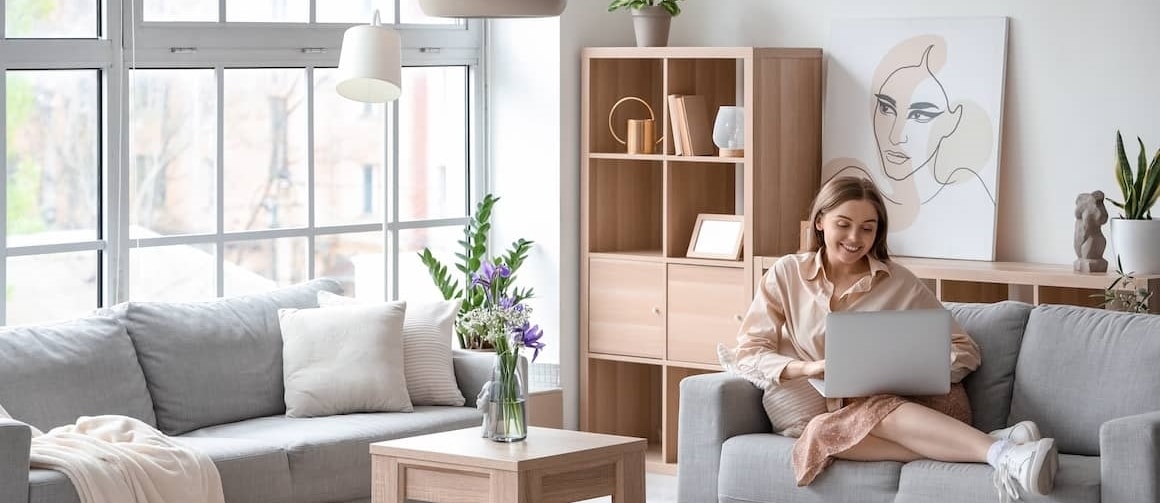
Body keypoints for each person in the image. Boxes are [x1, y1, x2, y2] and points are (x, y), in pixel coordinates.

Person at [727, 176, 1057, 502]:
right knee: (818, 433)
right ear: (819, 222)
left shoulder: (900, 283)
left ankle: (1004, 455)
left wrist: (909, 375)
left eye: (867, 228)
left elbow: (964, 349)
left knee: (876, 407)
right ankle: (988, 444)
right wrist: (808, 368)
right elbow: (749, 350)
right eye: (843, 224)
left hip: (923, 409)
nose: (855, 238)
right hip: (849, 418)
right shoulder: (787, 274)